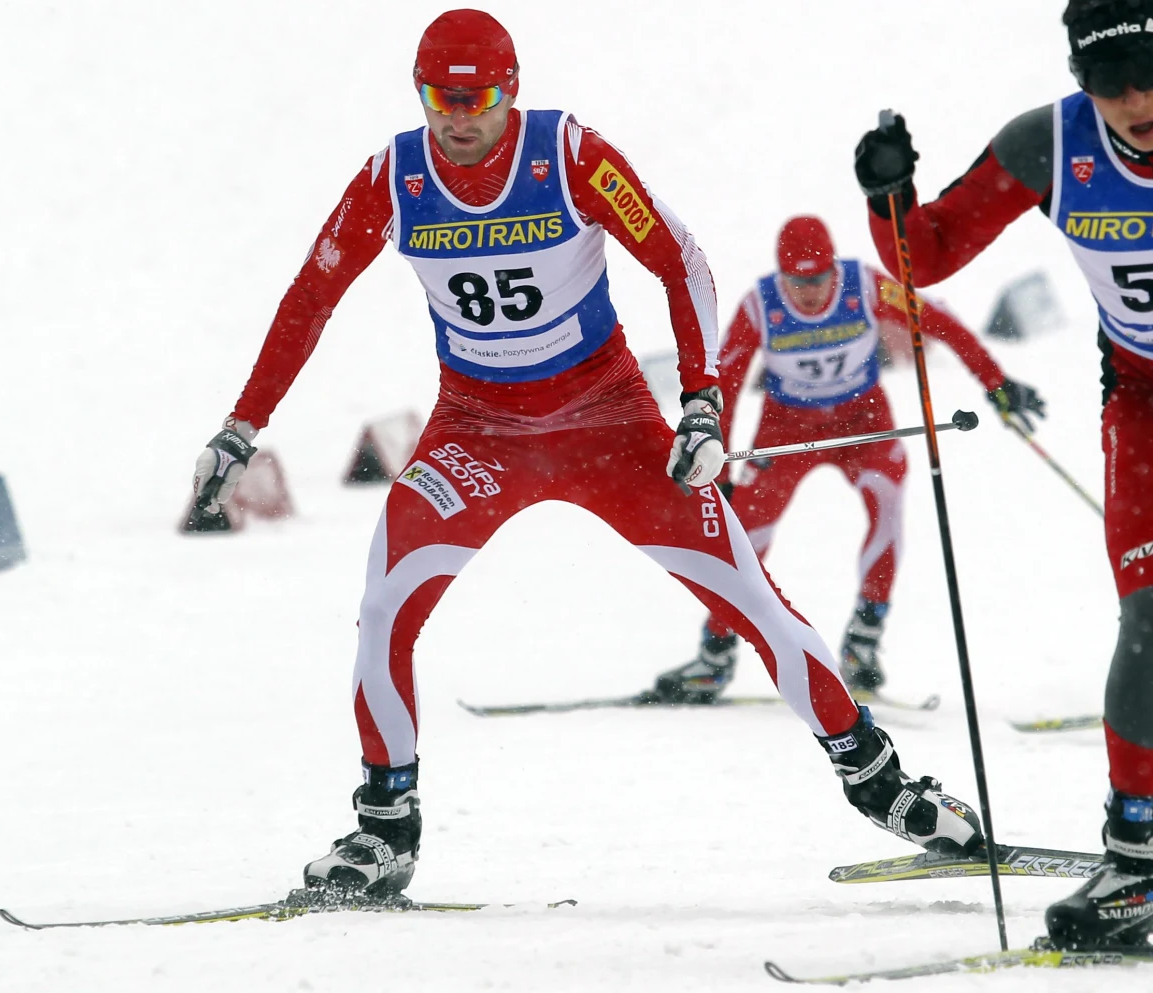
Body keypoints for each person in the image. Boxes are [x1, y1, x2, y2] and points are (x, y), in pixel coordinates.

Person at [192, 8, 983, 906]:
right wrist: (242, 424)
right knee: (383, 607)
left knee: (749, 597)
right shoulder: (395, 174)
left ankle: (881, 783)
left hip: (608, 425)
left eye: (477, 98)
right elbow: (311, 293)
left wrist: (700, 401)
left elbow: (677, 256)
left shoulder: (566, 153)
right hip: (475, 433)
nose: (457, 117)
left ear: (511, 90)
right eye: (438, 99)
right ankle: (385, 831)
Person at [852, 0, 1153, 950]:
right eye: (1111, 82)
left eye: (1150, 71)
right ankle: (1139, 858)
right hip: (1143, 400)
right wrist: (888, 192)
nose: (1136, 98)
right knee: (1148, 619)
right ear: (1081, 83)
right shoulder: (1050, 145)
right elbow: (923, 256)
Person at [651, 216, 1044, 703]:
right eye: (798, 280)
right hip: (788, 428)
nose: (810, 292)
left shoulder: (867, 286)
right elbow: (725, 384)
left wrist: (996, 383)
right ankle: (715, 655)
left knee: (888, 504)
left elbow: (939, 322)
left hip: (865, 424)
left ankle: (863, 641)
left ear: (832, 270)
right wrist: (724, 472)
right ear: (782, 275)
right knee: (746, 530)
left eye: (817, 279)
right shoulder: (760, 306)